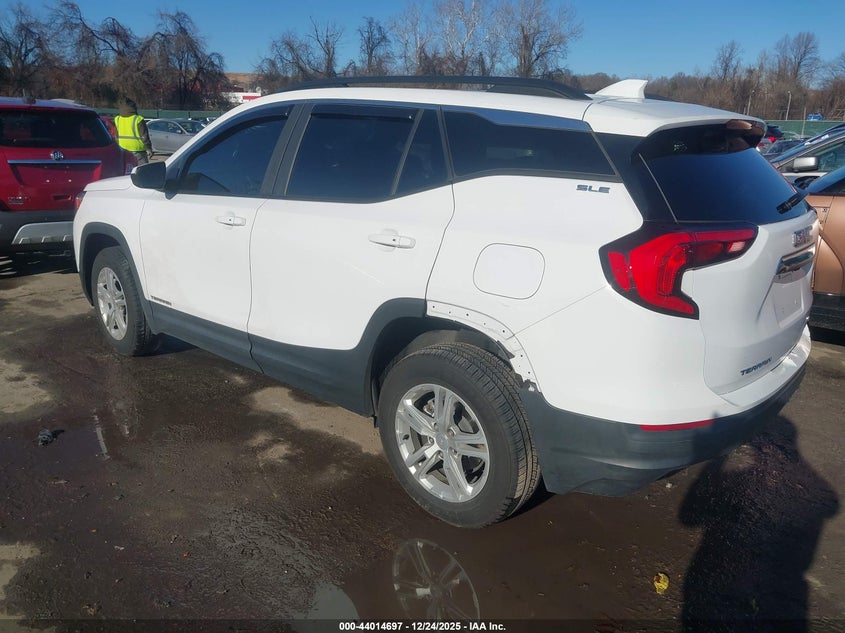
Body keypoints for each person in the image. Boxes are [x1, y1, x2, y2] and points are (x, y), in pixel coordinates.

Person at [113, 98, 153, 164]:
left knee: (127, 172)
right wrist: (148, 148)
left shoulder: (118, 119)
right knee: (142, 171)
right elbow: (144, 136)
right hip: (138, 150)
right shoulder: (138, 119)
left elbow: (116, 136)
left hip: (123, 150)